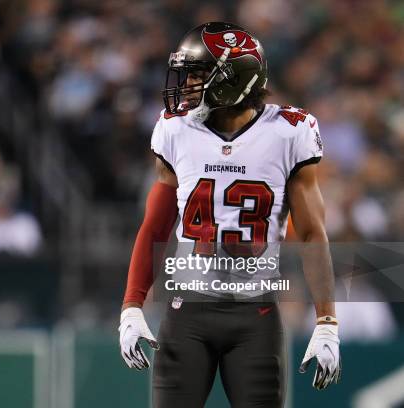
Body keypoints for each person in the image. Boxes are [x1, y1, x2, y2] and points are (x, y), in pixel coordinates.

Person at [118, 22, 341, 407]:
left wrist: (326, 322)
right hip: (186, 309)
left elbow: (310, 233)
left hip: (256, 314)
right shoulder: (176, 129)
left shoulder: (289, 132)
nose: (186, 85)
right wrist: (131, 305)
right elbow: (155, 228)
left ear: (233, 80)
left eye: (198, 75)